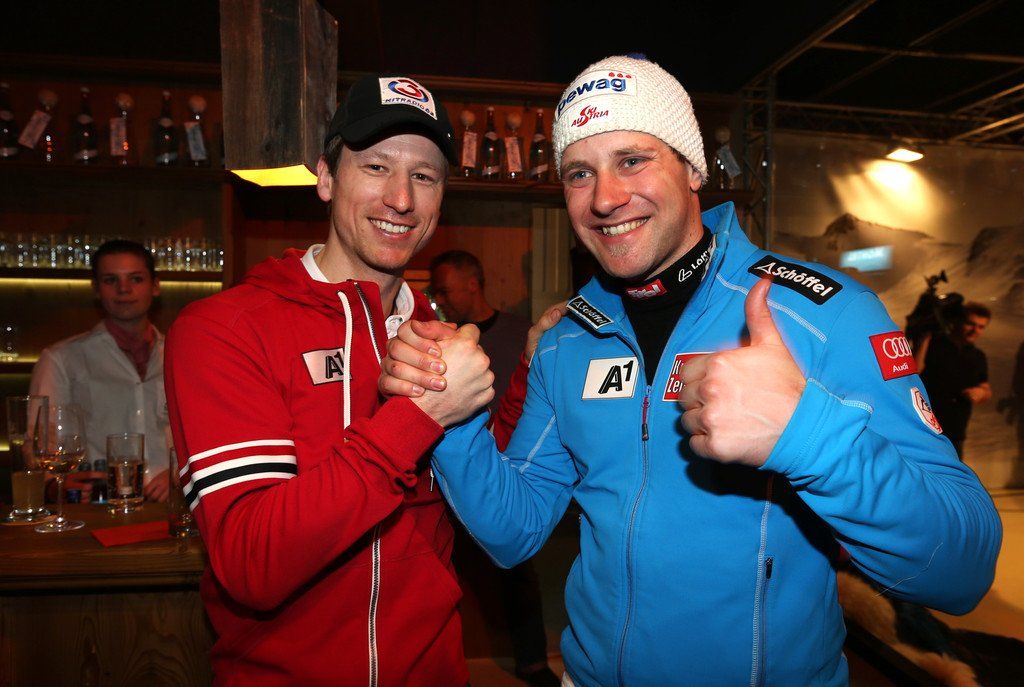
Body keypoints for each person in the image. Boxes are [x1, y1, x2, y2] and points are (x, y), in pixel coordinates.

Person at [379, 55, 1002, 686]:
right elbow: (514, 531)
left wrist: (808, 435)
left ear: (694, 167)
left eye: (632, 160)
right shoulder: (567, 340)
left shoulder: (825, 315)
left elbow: (964, 571)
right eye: (579, 173)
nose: (605, 198)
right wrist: (448, 414)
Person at [163, 74, 497, 686]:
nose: (401, 198)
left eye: (425, 176)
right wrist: (417, 418)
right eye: (375, 167)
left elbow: (492, 503)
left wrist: (534, 363)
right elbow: (253, 562)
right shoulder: (226, 329)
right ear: (325, 177)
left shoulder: (443, 337)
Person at [430, 250, 560, 687]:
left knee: (517, 572)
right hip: (449, 476)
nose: (440, 299)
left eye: (445, 289)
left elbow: (526, 405)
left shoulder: (517, 334)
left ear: (473, 284)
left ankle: (533, 662)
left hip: (508, 470)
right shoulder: (441, 338)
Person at [30, 239, 170, 502]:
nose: (124, 289)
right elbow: (38, 442)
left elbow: (208, 433)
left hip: (171, 503)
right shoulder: (61, 358)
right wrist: (53, 484)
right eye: (110, 280)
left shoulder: (181, 355)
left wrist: (181, 473)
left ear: (155, 286)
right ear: (96, 289)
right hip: (97, 504)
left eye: (136, 279)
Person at [917, 302, 992, 457]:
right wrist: (925, 338)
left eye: (981, 327)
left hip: (956, 433)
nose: (975, 330)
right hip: (925, 429)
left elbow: (986, 389)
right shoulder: (933, 343)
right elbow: (913, 371)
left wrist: (981, 393)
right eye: (971, 324)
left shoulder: (978, 356)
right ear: (958, 321)